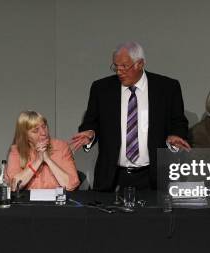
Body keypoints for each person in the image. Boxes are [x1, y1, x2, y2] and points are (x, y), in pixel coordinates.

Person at [71, 41, 190, 191]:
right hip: (113, 176)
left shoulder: (167, 88)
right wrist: (90, 133)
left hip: (153, 175)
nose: (119, 72)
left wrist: (175, 135)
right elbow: (90, 122)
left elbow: (178, 122)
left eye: (124, 66)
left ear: (140, 64)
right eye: (116, 66)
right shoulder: (101, 89)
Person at [6, 111, 80, 191]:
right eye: (35, 131)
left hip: (57, 201)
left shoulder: (61, 147)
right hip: (29, 202)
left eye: (44, 127)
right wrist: (38, 161)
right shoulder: (16, 151)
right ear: (25, 135)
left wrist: (48, 159)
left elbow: (72, 184)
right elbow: (14, 186)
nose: (43, 133)